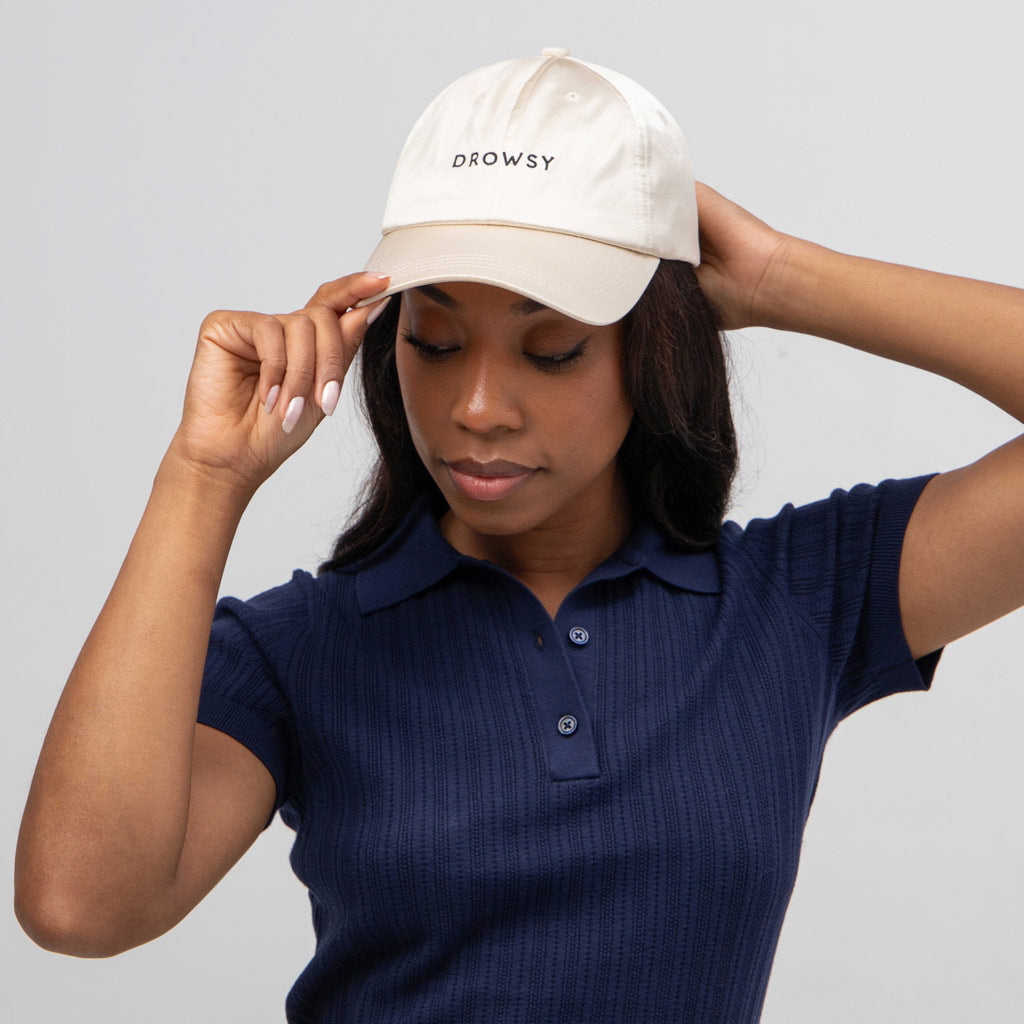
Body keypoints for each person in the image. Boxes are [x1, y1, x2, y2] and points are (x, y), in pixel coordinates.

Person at [13, 47, 1024, 1023]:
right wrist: (202, 478)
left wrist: (781, 278)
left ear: (652, 351)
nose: (478, 406)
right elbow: (79, 906)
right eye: (436, 341)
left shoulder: (796, 600)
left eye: (551, 349)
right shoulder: (301, 647)